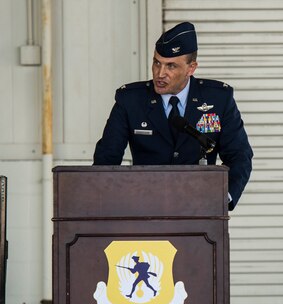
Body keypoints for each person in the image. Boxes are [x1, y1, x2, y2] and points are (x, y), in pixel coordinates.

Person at [93, 22, 253, 210]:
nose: (160, 74)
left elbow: (239, 156)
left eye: (171, 66)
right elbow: (106, 160)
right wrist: (109, 203)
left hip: (198, 211)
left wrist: (221, 199)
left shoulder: (218, 99)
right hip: (143, 209)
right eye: (156, 63)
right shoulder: (130, 100)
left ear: (191, 68)